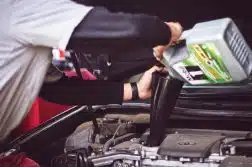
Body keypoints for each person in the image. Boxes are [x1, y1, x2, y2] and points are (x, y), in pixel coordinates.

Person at [0, 0, 182, 141]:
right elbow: (135, 28)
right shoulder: (19, 9)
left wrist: (135, 90)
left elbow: (52, 89)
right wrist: (170, 31)